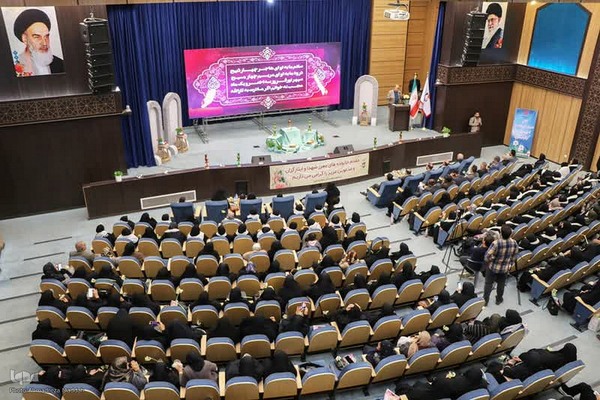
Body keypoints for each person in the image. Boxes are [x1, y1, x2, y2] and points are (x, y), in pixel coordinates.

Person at [12, 8, 64, 76]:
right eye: (37, 37)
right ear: (25, 38)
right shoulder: (16, 66)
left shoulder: (60, 64)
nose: (44, 43)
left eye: (46, 36)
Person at [483, 225, 518, 306]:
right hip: (505, 268)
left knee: (488, 284)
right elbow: (514, 256)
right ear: (510, 234)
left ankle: (485, 301)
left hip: (493, 267)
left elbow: (486, 257)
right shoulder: (514, 243)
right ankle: (499, 299)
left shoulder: (495, 243)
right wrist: (510, 264)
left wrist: (491, 259)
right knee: (501, 284)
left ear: (501, 233)